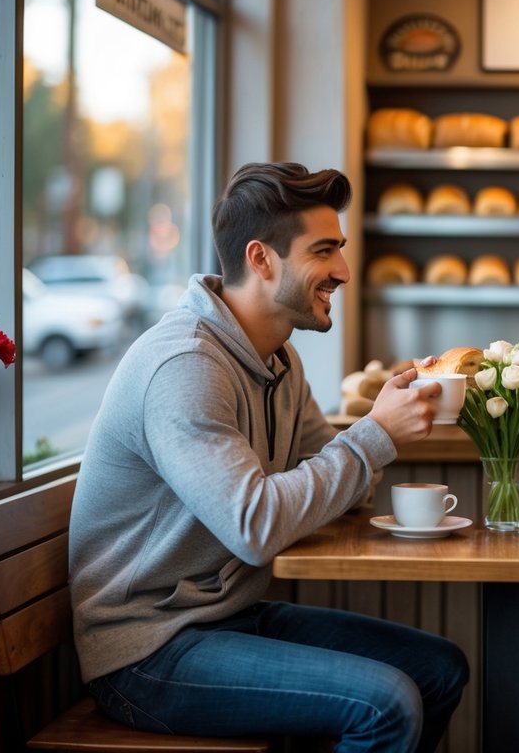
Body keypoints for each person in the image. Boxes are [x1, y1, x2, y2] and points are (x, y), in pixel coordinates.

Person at [69, 162, 468, 752]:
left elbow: (338, 483)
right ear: (261, 259)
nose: (343, 271)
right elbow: (255, 526)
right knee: (385, 705)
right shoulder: (185, 366)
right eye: (324, 251)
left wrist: (382, 427)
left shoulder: (278, 357)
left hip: (227, 616)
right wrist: (376, 434)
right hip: (148, 648)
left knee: (440, 668)